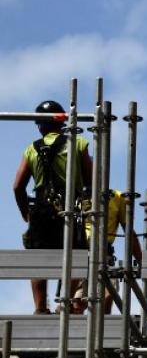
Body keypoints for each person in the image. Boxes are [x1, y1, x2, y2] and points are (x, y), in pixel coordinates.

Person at [13, 100, 92, 314]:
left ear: (40, 125)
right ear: (62, 121)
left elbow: (18, 186)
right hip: (69, 208)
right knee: (79, 254)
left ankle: (40, 308)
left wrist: (26, 214)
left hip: (41, 209)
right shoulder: (78, 144)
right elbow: (91, 181)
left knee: (37, 256)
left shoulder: (32, 149)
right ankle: (65, 304)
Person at [78, 189, 143, 313]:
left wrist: (140, 259)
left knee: (107, 297)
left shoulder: (117, 197)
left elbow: (129, 231)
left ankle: (101, 331)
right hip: (79, 252)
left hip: (104, 254)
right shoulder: (75, 193)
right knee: (76, 304)